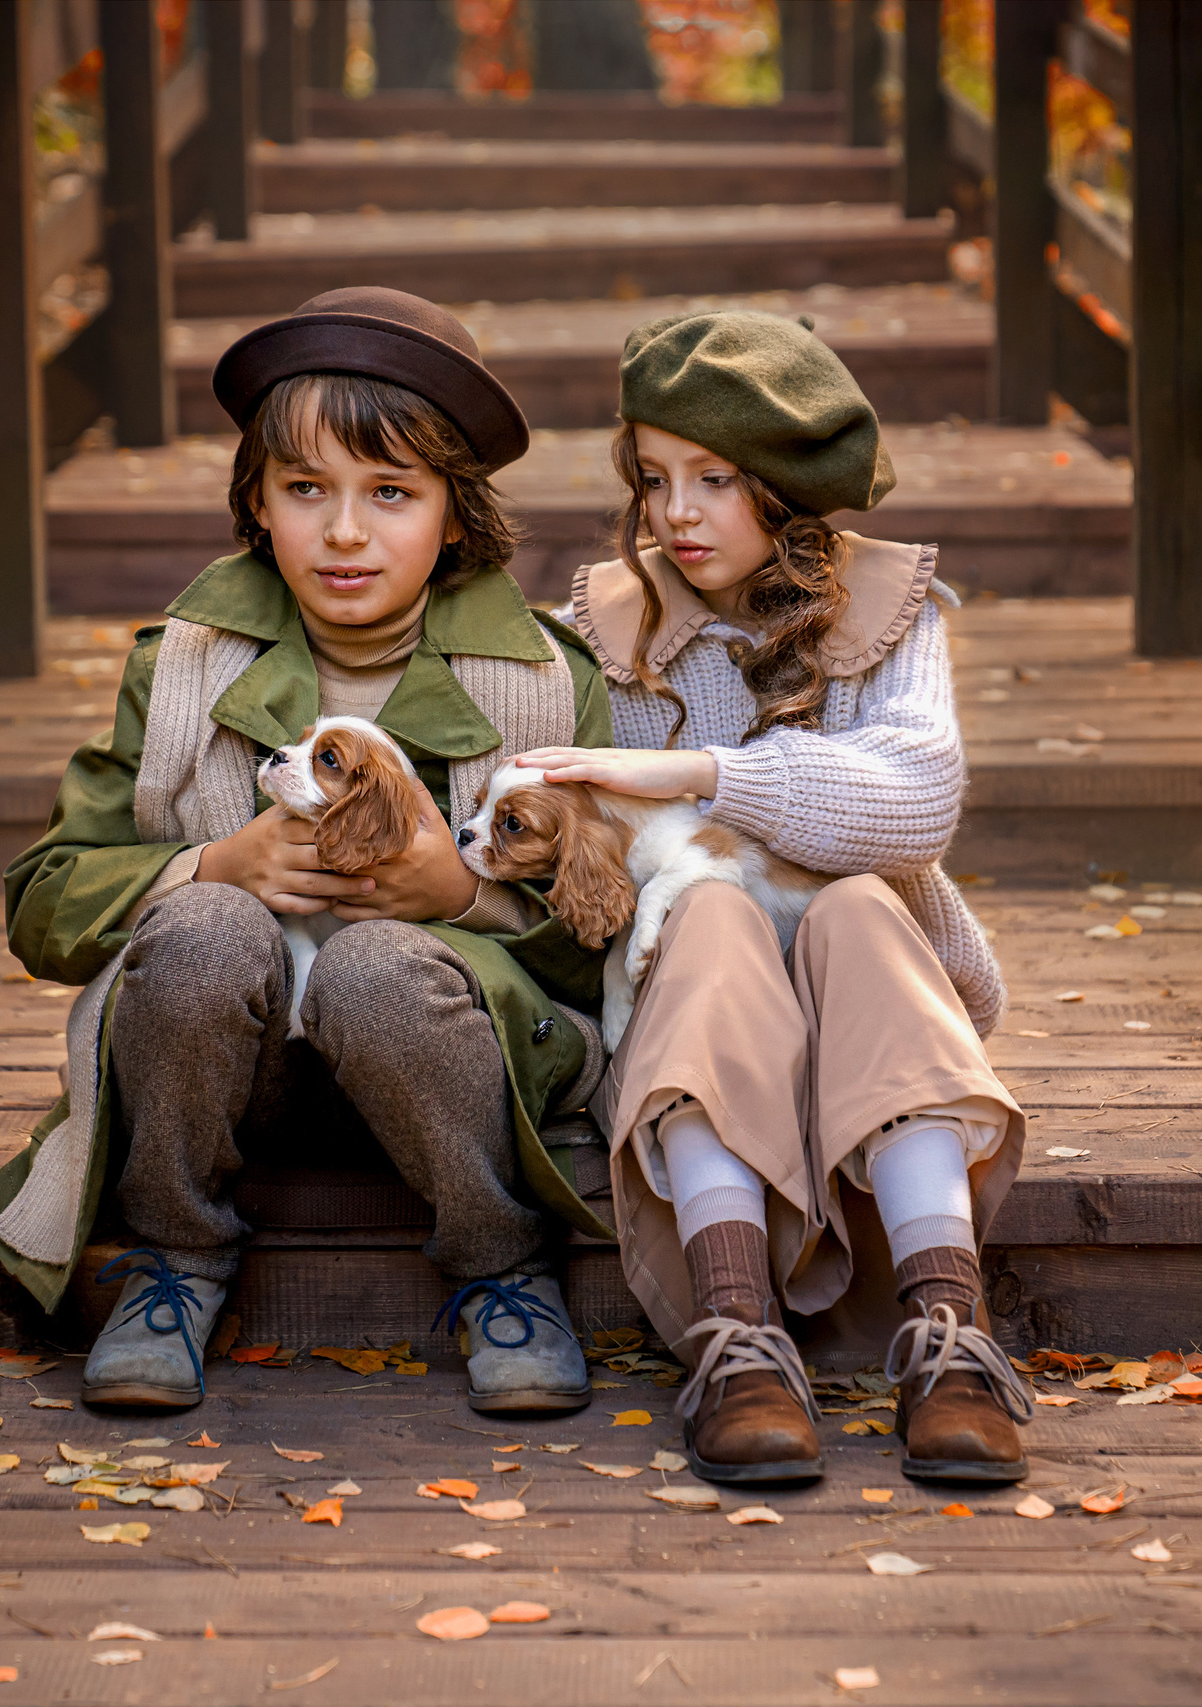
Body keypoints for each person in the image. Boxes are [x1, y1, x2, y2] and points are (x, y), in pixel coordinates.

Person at [0, 288, 614, 1417]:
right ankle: (174, 1259)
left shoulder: (544, 685)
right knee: (208, 927)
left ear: (455, 515)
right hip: (234, 1064)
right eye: (306, 489)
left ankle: (499, 1264)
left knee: (375, 962)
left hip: (459, 1062)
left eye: (392, 494)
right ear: (257, 505)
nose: (347, 531)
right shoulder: (182, 667)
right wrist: (209, 867)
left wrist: (464, 896)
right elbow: (44, 901)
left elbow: (612, 937)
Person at [516, 310, 1031, 1485]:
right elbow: (545, 794)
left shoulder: (889, 612)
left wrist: (704, 773)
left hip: (874, 1017)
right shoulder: (608, 626)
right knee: (704, 913)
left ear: (789, 484)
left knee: (857, 904)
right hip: (701, 1017)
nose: (674, 513)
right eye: (651, 480)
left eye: (713, 480)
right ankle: (736, 1335)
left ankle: (951, 1337)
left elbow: (916, 802)